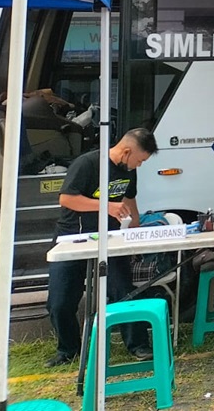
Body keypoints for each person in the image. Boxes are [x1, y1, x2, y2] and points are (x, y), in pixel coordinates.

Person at [46, 128, 158, 367]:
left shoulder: (129, 171)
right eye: (139, 160)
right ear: (127, 151)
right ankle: (69, 350)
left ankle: (138, 344)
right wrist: (105, 206)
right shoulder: (88, 164)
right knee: (60, 300)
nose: (139, 165)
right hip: (73, 237)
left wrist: (134, 228)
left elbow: (129, 201)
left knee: (124, 290)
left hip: (110, 239)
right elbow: (67, 199)